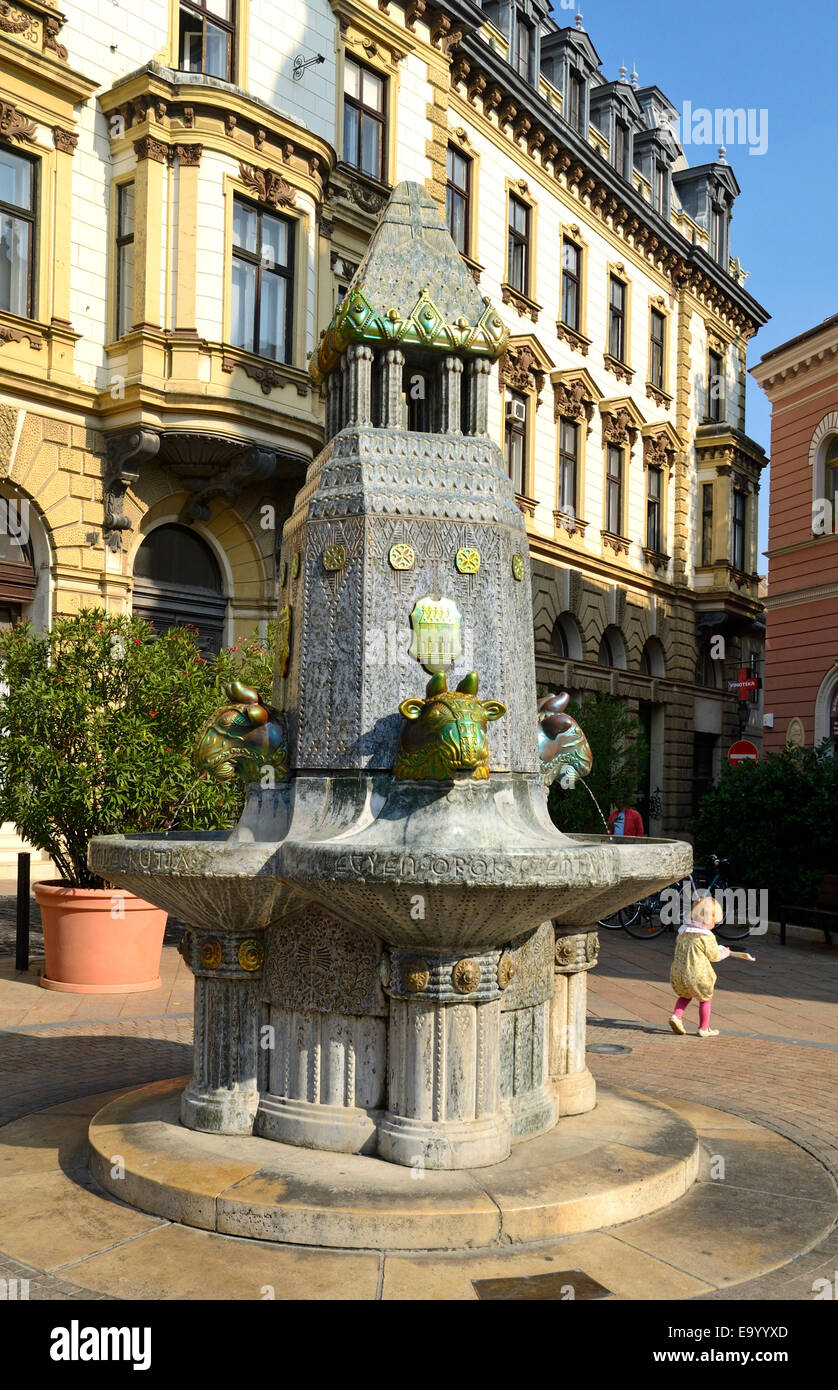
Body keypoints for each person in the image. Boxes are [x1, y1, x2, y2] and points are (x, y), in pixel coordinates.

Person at [668, 894, 730, 1038]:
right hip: (697, 975)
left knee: (685, 995)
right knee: (705, 998)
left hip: (679, 973)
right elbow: (714, 956)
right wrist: (726, 952)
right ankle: (703, 1028)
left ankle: (676, 1016)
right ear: (709, 919)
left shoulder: (683, 932)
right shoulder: (706, 936)